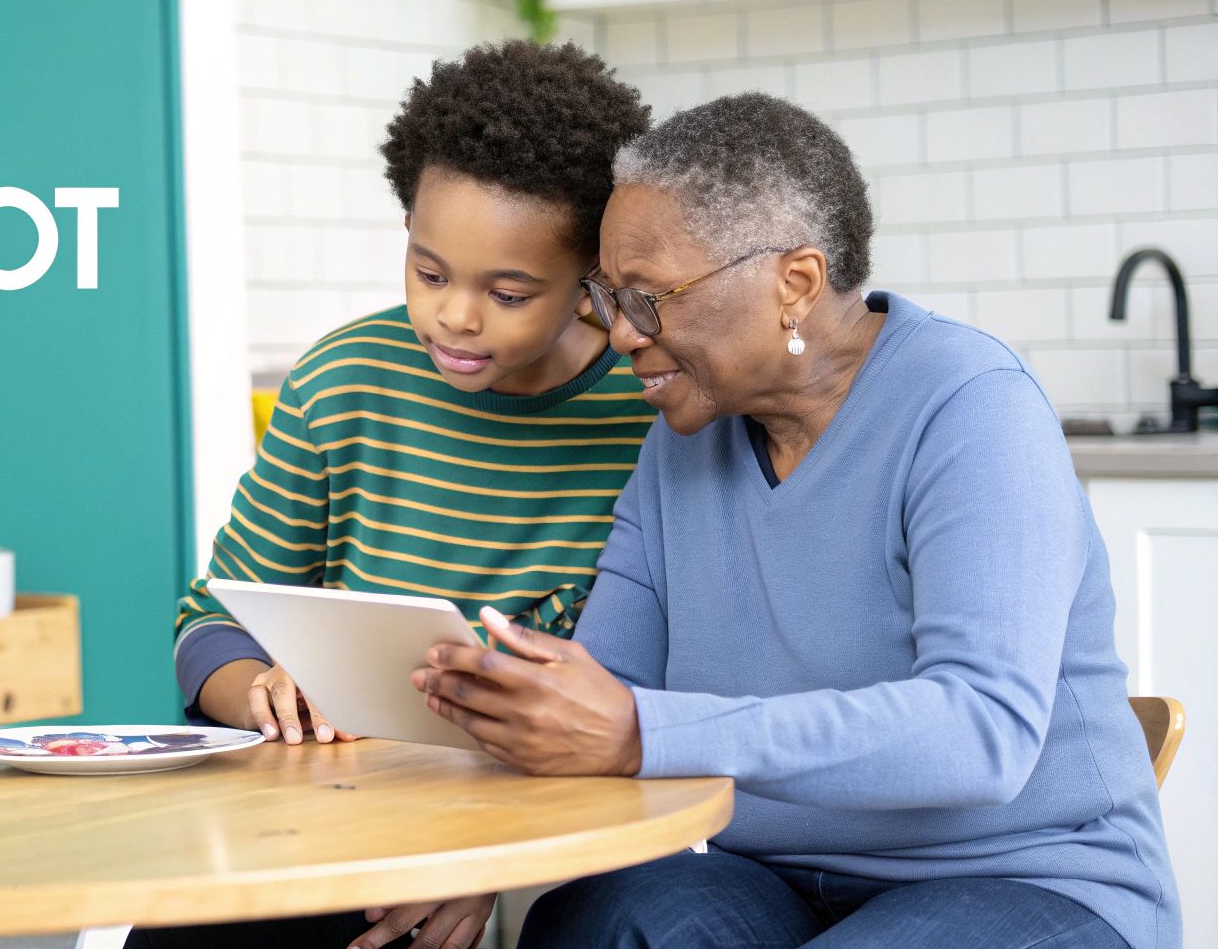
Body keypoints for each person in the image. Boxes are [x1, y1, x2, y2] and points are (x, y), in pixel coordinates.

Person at [411, 92, 1181, 949]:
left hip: (1021, 874)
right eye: (608, 298)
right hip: (770, 879)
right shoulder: (680, 446)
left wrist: (642, 730)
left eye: (649, 299)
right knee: (601, 923)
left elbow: (982, 733)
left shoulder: (971, 408)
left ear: (796, 284)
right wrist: (475, 849)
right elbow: (598, 697)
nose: (623, 335)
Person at [128, 41, 651, 949]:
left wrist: (484, 857)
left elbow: (659, 698)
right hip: (340, 812)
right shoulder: (345, 378)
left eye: (510, 291)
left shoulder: (652, 411)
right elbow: (208, 621)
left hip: (553, 814)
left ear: (590, 283)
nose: (455, 315)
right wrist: (262, 689)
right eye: (429, 270)